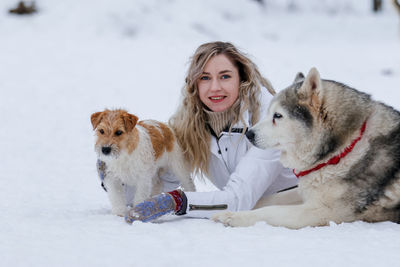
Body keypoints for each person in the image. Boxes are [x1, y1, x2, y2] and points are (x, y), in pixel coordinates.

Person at [99, 41, 298, 223]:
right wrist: (118, 172)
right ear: (194, 84)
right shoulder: (191, 120)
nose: (215, 88)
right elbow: (163, 179)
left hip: (293, 206)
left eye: (225, 76)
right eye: (204, 78)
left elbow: (239, 198)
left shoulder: (271, 119)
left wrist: (178, 201)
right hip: (248, 210)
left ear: (242, 78)